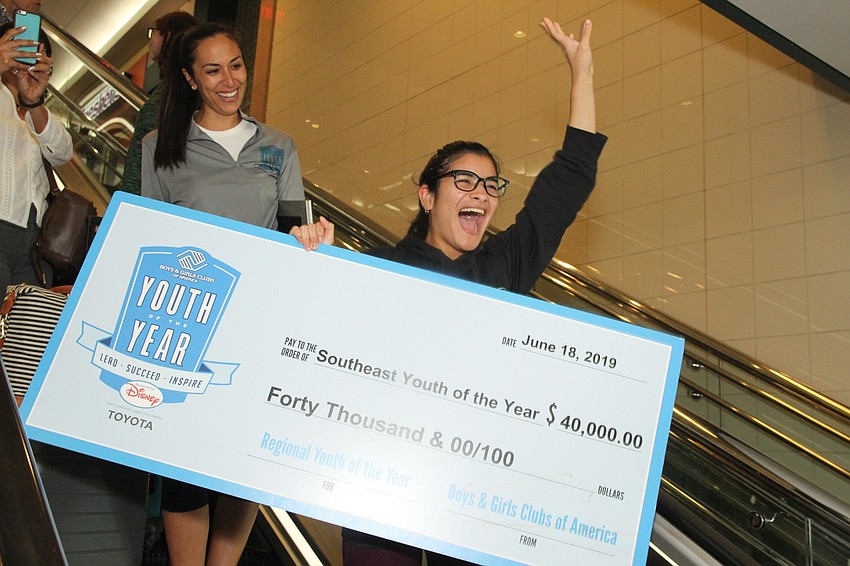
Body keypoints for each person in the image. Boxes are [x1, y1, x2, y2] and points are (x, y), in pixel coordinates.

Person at [342, 18, 606, 566]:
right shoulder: (376, 271)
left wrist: (581, 73)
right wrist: (307, 250)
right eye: (464, 181)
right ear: (426, 195)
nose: (481, 194)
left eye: (490, 186)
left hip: (473, 493)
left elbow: (571, 177)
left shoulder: (504, 264)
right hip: (383, 483)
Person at [141, 22, 332, 566]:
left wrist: (313, 240)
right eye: (212, 69)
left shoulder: (278, 145)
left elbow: (296, 229)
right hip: (188, 322)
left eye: (237, 65)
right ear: (189, 78)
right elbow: (151, 242)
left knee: (243, 463)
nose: (229, 80)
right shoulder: (162, 148)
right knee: (184, 462)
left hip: (258, 321)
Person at [0, 20, 72, 292]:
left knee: (28, 330)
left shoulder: (38, 110)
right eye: (20, 51)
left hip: (36, 243)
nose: (29, 65)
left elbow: (63, 152)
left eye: (39, 60)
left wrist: (34, 103)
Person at [119, 10, 197, 195]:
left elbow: (140, 163)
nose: (151, 40)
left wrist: (125, 202)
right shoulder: (188, 88)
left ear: (167, 36)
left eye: (154, 32)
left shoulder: (171, 93)